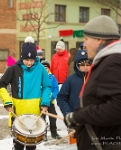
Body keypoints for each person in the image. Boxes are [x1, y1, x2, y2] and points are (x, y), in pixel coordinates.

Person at [64, 15, 121, 150]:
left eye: (86, 39)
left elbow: (118, 107)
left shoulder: (112, 63)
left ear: (99, 40)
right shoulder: (109, 61)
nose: (84, 44)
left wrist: (78, 116)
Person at [0, 36, 51, 150]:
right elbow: (0, 85)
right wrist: (7, 102)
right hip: (18, 115)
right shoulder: (14, 69)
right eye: (27, 60)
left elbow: (47, 87)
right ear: (22, 57)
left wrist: (45, 103)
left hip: (35, 114)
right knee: (18, 146)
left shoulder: (41, 68)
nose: (29, 63)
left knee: (32, 147)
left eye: (32, 60)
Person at [57, 49, 91, 117]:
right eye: (82, 65)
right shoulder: (70, 80)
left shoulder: (95, 78)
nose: (85, 67)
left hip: (92, 118)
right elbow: (61, 98)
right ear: (77, 65)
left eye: (88, 65)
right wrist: (68, 112)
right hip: (75, 118)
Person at [41, 60, 61, 140]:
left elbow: (56, 89)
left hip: (50, 102)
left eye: (47, 67)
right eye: (44, 67)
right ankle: (43, 134)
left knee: (53, 117)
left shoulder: (52, 77)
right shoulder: (39, 77)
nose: (45, 69)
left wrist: (53, 96)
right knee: (42, 118)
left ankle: (54, 133)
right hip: (42, 102)